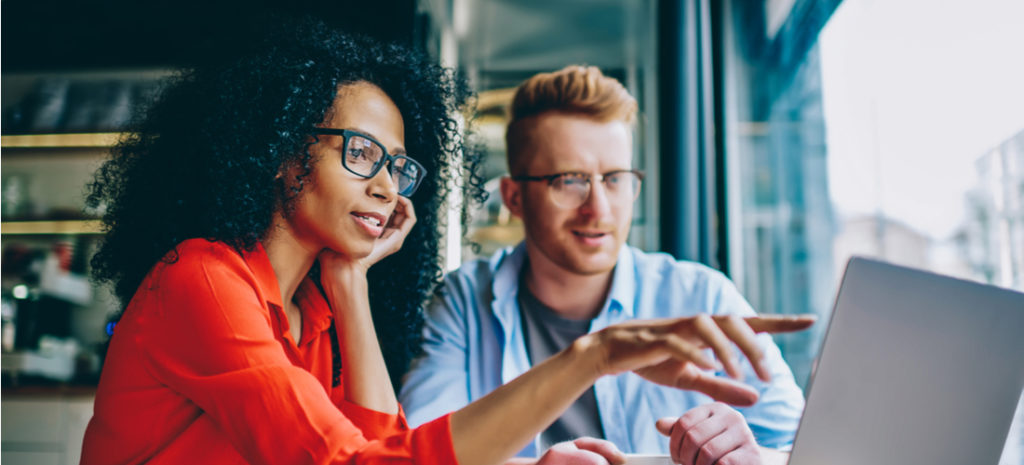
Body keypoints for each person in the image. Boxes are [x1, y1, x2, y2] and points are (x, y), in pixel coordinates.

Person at [81, 20, 813, 465]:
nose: (387, 188)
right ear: (279, 151)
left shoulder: (312, 311)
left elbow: (378, 446)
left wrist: (351, 284)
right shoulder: (205, 280)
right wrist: (593, 357)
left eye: (397, 166)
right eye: (360, 153)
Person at [399, 65, 809, 465]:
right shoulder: (464, 302)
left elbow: (808, 448)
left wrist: (755, 456)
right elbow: (418, 456)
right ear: (514, 198)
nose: (598, 209)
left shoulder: (702, 296)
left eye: (615, 179)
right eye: (569, 181)